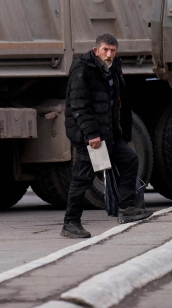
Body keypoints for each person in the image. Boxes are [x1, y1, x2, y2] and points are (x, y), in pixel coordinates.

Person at [61, 33, 152, 238]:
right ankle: (70, 223)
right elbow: (79, 105)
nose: (109, 54)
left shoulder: (112, 68)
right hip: (91, 137)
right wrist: (91, 133)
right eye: (105, 50)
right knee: (82, 178)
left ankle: (126, 207)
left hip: (109, 135)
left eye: (112, 50)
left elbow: (119, 102)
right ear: (96, 50)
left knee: (129, 159)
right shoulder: (83, 69)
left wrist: (123, 131)